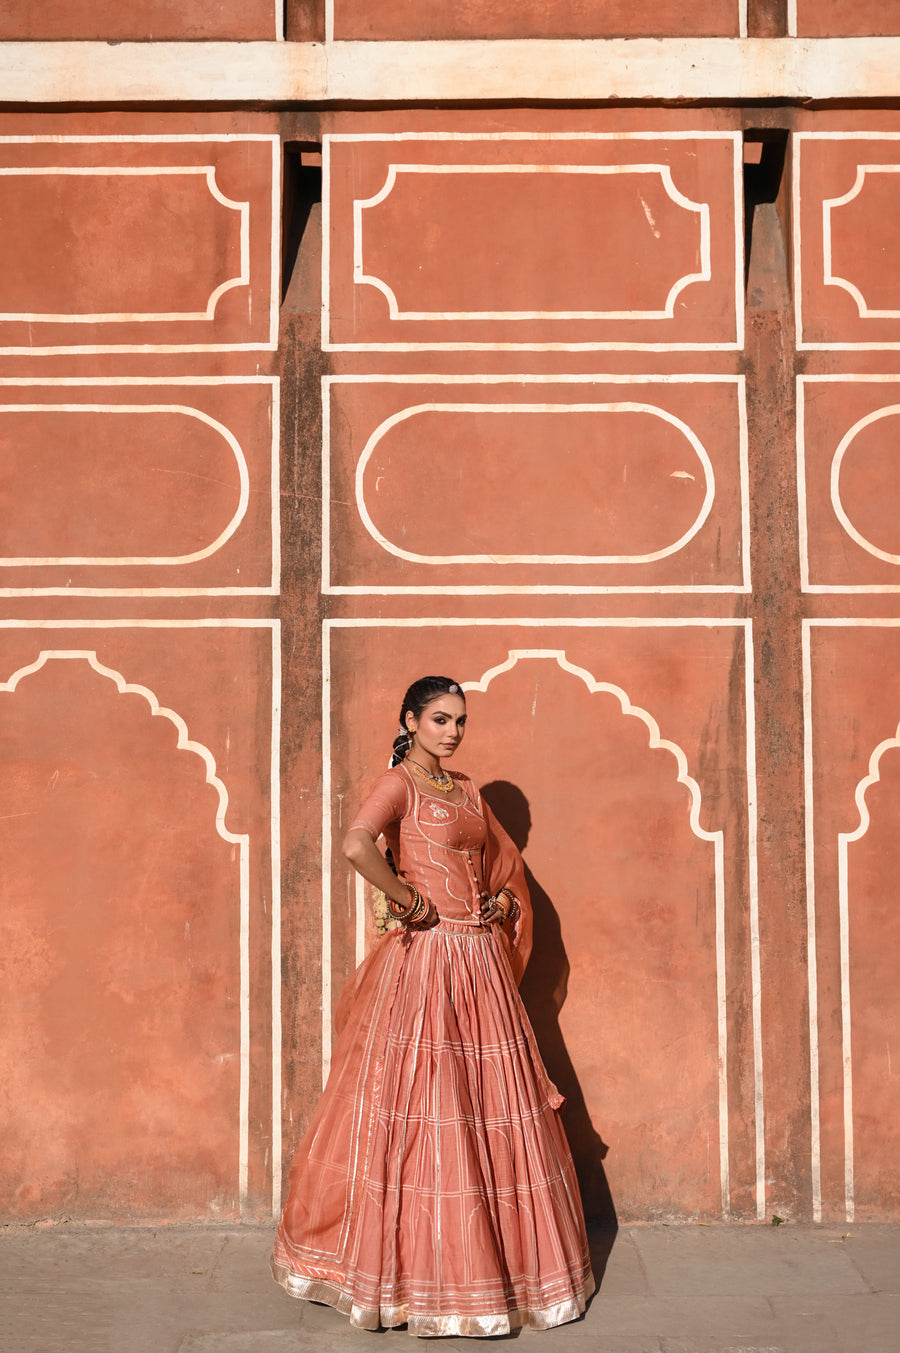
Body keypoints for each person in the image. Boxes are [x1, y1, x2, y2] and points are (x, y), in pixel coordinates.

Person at [271, 675, 594, 1337]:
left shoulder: (467, 789)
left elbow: (499, 869)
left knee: (488, 1105)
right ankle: (416, 1279)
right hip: (428, 966)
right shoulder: (400, 784)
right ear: (411, 721)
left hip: (479, 965)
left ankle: (499, 1273)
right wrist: (411, 900)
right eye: (440, 719)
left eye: (459, 720)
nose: (451, 731)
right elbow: (357, 843)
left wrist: (500, 902)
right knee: (431, 1105)